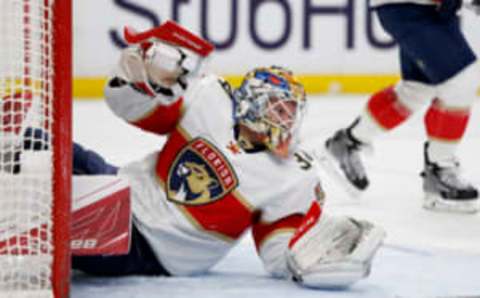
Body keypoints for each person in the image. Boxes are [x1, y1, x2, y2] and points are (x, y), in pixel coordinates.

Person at [69, 33, 385, 288]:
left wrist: (307, 257)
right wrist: (137, 81)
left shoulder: (293, 175)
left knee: (50, 219)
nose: (287, 121)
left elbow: (278, 253)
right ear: (252, 102)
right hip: (122, 188)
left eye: (291, 113)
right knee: (39, 143)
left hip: (150, 249)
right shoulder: (209, 97)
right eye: (279, 109)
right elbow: (136, 111)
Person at [323, 0, 480, 213]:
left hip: (431, 8)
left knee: (418, 87)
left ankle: (349, 141)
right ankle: (440, 169)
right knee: (461, 80)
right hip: (410, 6)